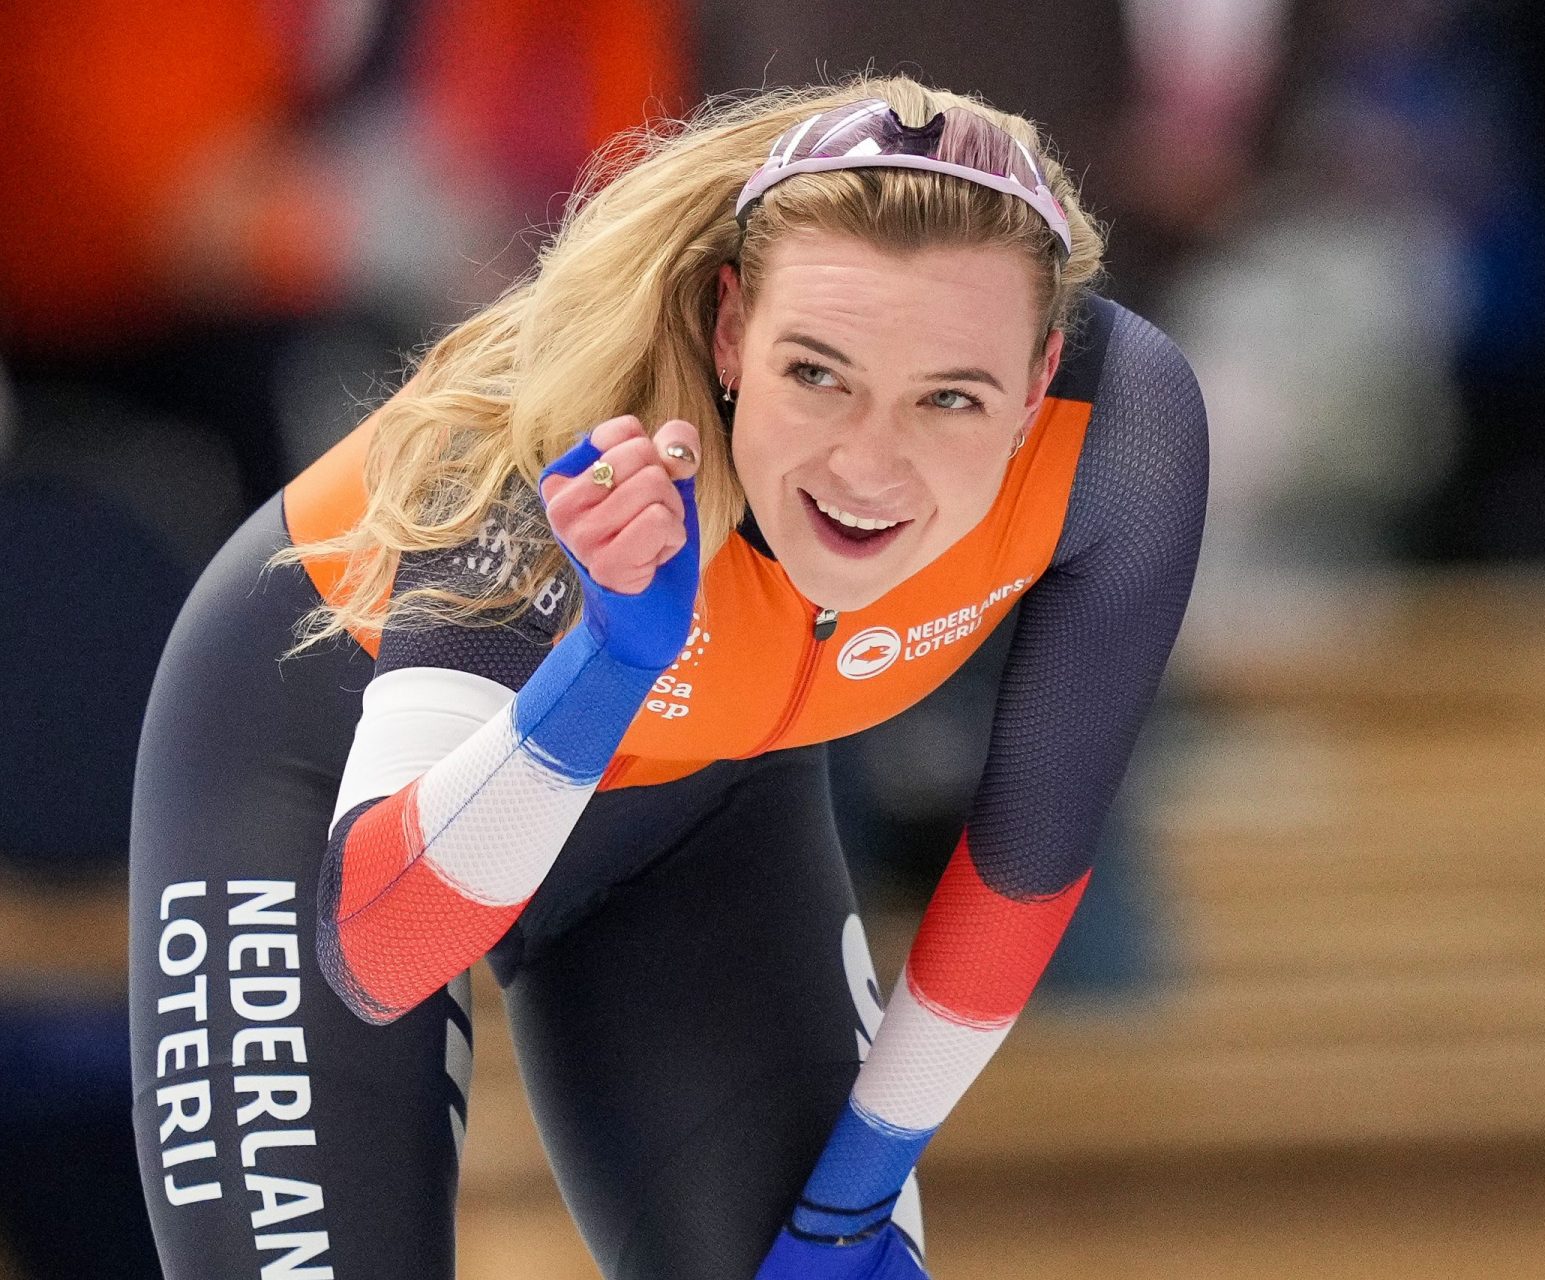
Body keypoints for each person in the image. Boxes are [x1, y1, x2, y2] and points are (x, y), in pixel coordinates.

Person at [129, 77, 1207, 1279]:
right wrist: (606, 661)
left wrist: (850, 1203)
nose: (870, 465)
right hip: (323, 768)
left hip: (690, 814)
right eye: (818, 373)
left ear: (1039, 377)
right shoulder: (566, 442)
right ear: (732, 328)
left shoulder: (1120, 437)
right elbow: (375, 954)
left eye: (950, 397)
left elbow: (1024, 865)